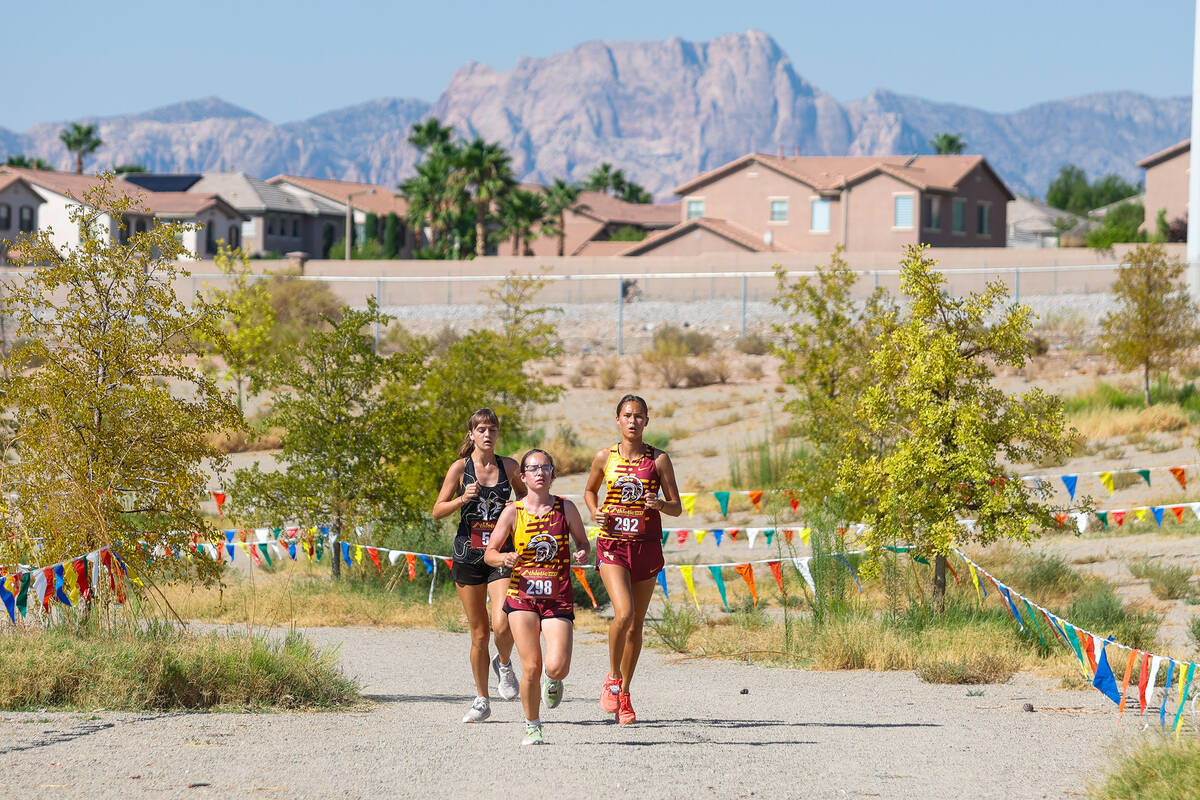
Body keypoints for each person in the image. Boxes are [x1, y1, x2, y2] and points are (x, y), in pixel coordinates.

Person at [583, 394, 682, 724]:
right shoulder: (604, 457)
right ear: (618, 420)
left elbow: (677, 507)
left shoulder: (659, 460)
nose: (633, 421)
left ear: (647, 422)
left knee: (636, 624)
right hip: (613, 545)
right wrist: (594, 511)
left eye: (639, 416)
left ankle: (624, 694)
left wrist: (659, 504)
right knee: (623, 613)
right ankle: (612, 678)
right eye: (627, 415)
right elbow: (590, 490)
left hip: (646, 547)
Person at [485, 449, 590, 745]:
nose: (540, 473)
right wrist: (503, 558)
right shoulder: (513, 512)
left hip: (557, 597)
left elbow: (583, 543)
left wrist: (582, 552)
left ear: (553, 474)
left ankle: (553, 680)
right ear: (523, 477)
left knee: (557, 666)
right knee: (531, 666)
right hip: (522, 596)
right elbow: (490, 553)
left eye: (545, 467)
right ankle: (532, 725)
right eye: (533, 468)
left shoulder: (566, 508)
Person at [432, 408, 526, 723]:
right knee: (480, 633)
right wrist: (462, 499)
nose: (488, 435)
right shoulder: (460, 468)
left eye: (493, 429)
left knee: (503, 622)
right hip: (468, 554)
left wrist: (517, 507)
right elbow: (437, 510)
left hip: (500, 553)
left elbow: (527, 501)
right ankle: (482, 699)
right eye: (482, 429)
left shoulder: (509, 466)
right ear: (472, 434)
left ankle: (504, 664)